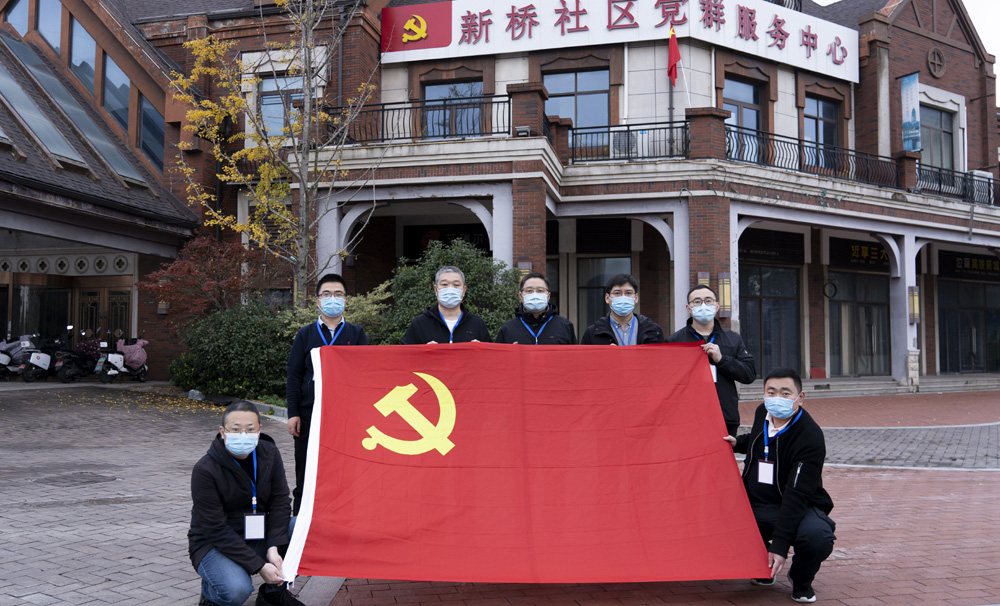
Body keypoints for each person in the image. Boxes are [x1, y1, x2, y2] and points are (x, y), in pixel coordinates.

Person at [724, 368, 836, 604]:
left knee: (818, 537)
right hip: (756, 503)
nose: (777, 399)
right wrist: (738, 443)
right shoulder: (762, 412)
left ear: (800, 397)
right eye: (771, 392)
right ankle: (761, 566)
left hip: (798, 505)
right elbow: (759, 439)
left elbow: (796, 496)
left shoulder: (810, 437)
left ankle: (801, 579)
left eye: (786, 394)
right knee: (720, 523)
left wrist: (781, 546)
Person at [188, 401, 304, 606]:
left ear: (259, 431)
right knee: (236, 591)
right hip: (216, 544)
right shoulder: (205, 470)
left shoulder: (269, 454)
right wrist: (259, 566)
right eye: (235, 429)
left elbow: (280, 501)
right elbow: (215, 528)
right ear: (222, 432)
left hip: (258, 534)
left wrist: (274, 545)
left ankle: (273, 593)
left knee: (305, 529)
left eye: (250, 429)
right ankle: (210, 593)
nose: (243, 435)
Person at [286, 273, 369, 515]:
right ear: (317, 300)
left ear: (346, 299)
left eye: (338, 294)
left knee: (344, 470)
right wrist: (293, 413)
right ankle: (300, 523)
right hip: (310, 412)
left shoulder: (357, 334)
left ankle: (344, 519)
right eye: (326, 294)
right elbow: (294, 376)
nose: (332, 298)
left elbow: (365, 373)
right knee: (306, 469)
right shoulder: (305, 334)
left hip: (345, 415)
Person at [666, 284, 755, 437]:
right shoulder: (675, 341)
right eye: (697, 301)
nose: (703, 305)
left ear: (717, 306)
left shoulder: (733, 339)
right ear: (689, 308)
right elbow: (667, 380)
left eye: (708, 301)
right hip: (687, 417)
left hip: (724, 416)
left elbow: (749, 374)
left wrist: (722, 360)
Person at [401, 265, 492, 344]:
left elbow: (490, 355)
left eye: (456, 285)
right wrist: (423, 352)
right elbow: (405, 354)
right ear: (436, 290)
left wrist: (480, 350)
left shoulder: (477, 324)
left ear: (464, 291)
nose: (450, 289)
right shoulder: (419, 324)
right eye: (444, 284)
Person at [580, 273, 664, 345]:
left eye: (628, 293)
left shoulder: (653, 331)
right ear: (607, 298)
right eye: (617, 293)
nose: (623, 297)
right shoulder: (593, 333)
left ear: (636, 298)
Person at [495, 272, 577, 344]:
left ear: (548, 296)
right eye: (529, 290)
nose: (534, 295)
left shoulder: (565, 326)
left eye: (540, 290)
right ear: (521, 296)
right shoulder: (508, 329)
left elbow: (575, 355)